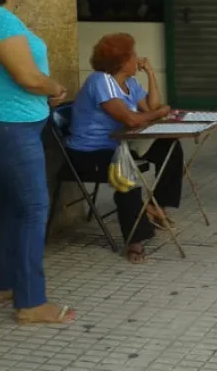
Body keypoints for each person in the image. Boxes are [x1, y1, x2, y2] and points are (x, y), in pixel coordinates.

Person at [0, 0, 76, 324]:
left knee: (8, 208)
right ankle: (30, 302)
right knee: (32, 210)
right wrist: (54, 86)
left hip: (7, 126)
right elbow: (27, 78)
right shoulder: (1, 20)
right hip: (13, 128)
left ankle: (4, 282)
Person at [65, 33, 181, 264]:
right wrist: (159, 114)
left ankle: (154, 206)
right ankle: (135, 242)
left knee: (171, 146)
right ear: (122, 61)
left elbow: (151, 105)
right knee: (126, 172)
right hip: (90, 153)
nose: (137, 59)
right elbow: (132, 119)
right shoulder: (100, 81)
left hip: (121, 145)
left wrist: (150, 73)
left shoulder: (129, 83)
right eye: (134, 55)